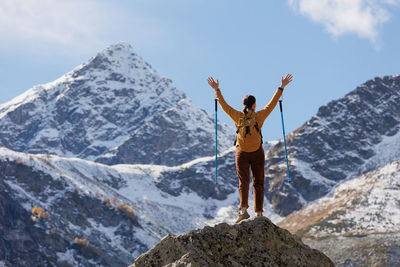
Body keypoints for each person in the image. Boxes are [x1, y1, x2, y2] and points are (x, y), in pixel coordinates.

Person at [207, 74, 293, 223]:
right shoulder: (259, 116)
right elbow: (272, 104)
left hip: (241, 153)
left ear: (243, 104)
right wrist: (281, 87)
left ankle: (243, 210)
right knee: (258, 182)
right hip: (257, 152)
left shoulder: (237, 116)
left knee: (243, 182)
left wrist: (217, 90)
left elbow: (224, 106)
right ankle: (259, 213)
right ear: (254, 105)